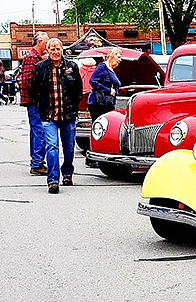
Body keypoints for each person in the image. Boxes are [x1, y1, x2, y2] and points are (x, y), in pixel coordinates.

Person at [30, 38, 82, 194]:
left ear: (62, 49)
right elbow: (34, 90)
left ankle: (67, 173)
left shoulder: (72, 67)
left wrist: (73, 107)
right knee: (52, 147)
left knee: (69, 148)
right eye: (52, 49)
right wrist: (40, 107)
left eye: (57, 48)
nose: (55, 52)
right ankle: (53, 180)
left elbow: (78, 90)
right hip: (48, 116)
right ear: (47, 50)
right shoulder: (40, 68)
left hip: (68, 115)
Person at [19, 31, 49, 176]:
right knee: (39, 131)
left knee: (36, 131)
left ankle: (36, 161)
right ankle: (37, 163)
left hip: (33, 101)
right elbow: (27, 81)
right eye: (46, 43)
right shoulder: (32, 58)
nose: (47, 45)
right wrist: (40, 96)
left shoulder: (35, 57)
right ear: (39, 42)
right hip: (35, 101)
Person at [87, 47, 122, 122]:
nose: (120, 60)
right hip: (98, 103)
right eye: (118, 57)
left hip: (107, 103)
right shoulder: (102, 67)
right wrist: (108, 90)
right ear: (112, 56)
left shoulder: (111, 69)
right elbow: (92, 81)